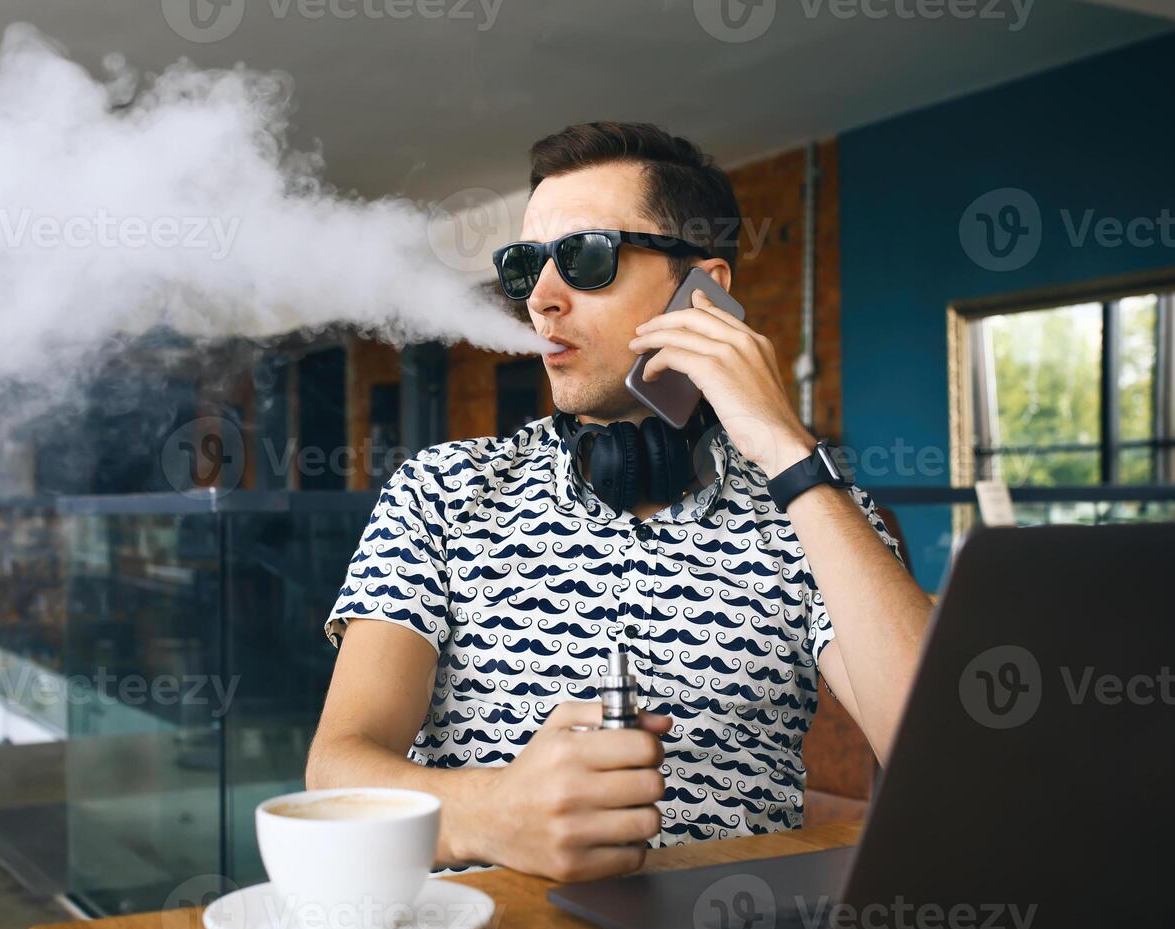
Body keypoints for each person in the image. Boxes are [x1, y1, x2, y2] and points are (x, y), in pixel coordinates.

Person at [307, 121, 933, 882]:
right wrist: (494, 814)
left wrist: (787, 452)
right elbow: (337, 772)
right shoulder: (441, 492)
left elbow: (942, 756)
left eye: (585, 258)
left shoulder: (814, 509)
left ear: (703, 291)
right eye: (525, 265)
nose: (541, 299)